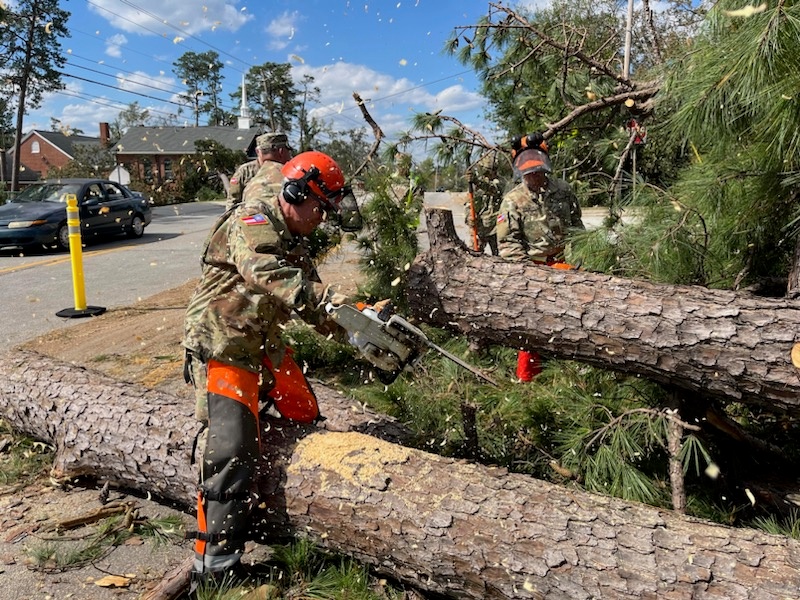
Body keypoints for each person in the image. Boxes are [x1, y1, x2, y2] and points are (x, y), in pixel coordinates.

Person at [183, 150, 352, 587]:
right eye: (320, 207)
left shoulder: (294, 240)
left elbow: (316, 307)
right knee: (232, 449)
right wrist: (324, 300)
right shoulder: (254, 220)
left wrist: (358, 326)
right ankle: (215, 567)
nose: (321, 218)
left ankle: (283, 498)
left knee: (303, 410)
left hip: (262, 340)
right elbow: (262, 271)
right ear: (297, 192)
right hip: (224, 340)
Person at [496, 141, 584, 380]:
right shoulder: (513, 200)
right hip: (532, 269)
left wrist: (577, 264)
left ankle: (572, 374)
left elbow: (579, 231)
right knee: (532, 329)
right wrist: (530, 276)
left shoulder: (563, 190)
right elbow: (508, 244)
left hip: (565, 265)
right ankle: (529, 379)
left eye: (538, 171)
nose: (535, 176)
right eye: (530, 172)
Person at [226, 131, 293, 211]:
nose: (289, 155)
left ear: (258, 151)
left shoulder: (290, 170)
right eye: (288, 151)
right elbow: (232, 203)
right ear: (281, 151)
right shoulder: (245, 171)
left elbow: (232, 203)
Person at [465, 152, 504, 255]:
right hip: (480, 228)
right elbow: (470, 202)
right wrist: (469, 217)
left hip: (496, 228)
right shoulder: (476, 185)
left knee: (500, 257)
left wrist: (476, 181)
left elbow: (493, 189)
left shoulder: (499, 182)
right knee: (474, 254)